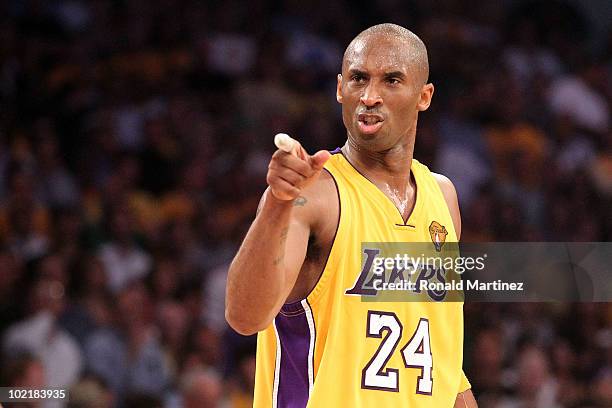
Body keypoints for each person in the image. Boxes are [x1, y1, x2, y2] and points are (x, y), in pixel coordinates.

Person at [226, 23, 477, 407]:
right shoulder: (313, 195)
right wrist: (277, 203)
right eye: (359, 79)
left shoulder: (442, 198)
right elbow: (244, 316)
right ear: (340, 88)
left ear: (424, 96)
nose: (370, 96)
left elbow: (445, 365)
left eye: (392, 80)